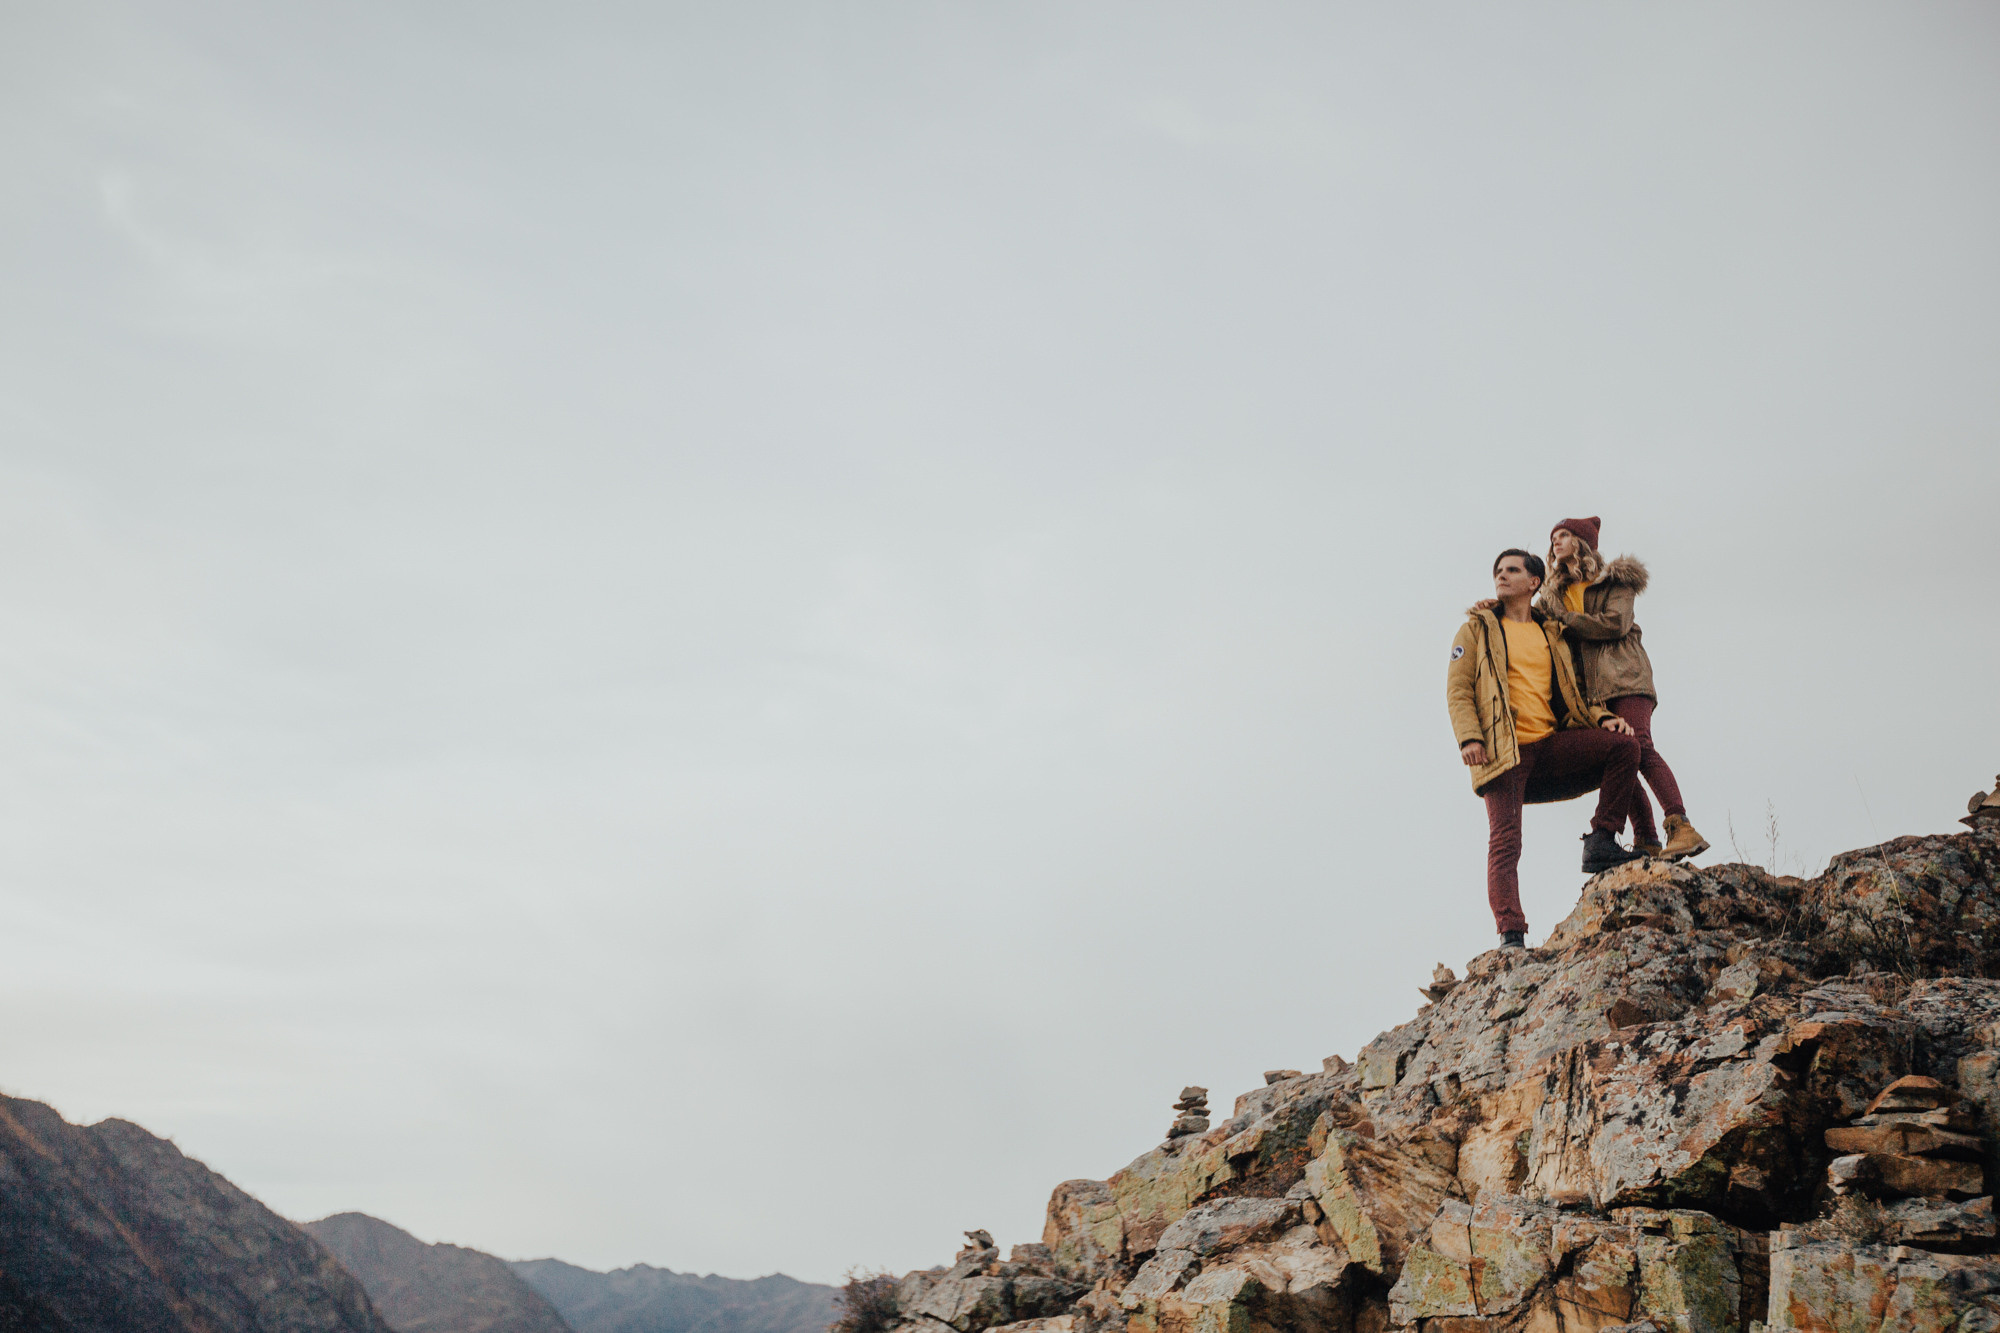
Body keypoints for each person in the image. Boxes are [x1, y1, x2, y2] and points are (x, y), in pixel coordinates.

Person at [1447, 549, 1643, 948]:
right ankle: (1511, 932)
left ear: (1534, 582)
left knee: (1624, 748)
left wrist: (1601, 717)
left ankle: (1603, 840)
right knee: (1506, 842)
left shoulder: (1549, 631)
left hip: (1550, 746)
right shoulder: (1476, 629)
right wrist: (1470, 737)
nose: (1501, 576)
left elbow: (1571, 690)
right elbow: (1458, 689)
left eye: (1512, 570)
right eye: (1497, 571)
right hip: (1504, 754)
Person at [1537, 517, 1710, 862]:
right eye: (1553, 536)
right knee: (1615, 755)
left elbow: (1615, 623)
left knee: (1640, 746)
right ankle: (1646, 839)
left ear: (1582, 542)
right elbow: (1528, 620)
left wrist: (1563, 621)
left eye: (1565, 535)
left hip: (1626, 676)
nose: (1556, 541)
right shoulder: (1552, 595)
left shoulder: (1614, 581)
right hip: (1591, 693)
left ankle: (1680, 824)